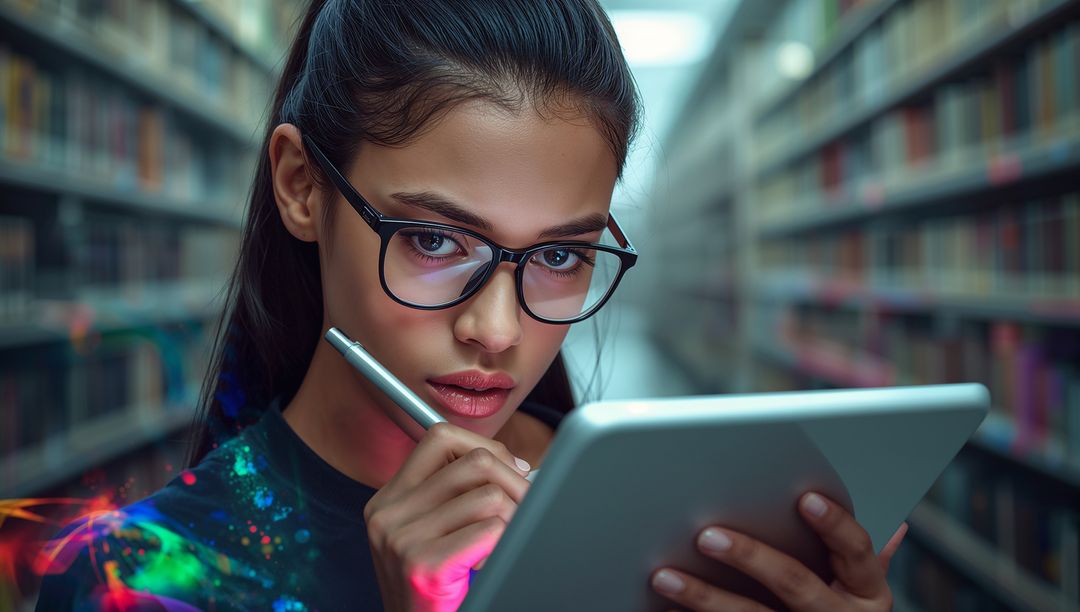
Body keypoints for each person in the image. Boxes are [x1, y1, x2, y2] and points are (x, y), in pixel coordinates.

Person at [35, 1, 906, 610]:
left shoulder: (669, 524)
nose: (496, 331)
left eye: (559, 255)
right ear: (301, 185)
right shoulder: (140, 579)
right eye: (434, 241)